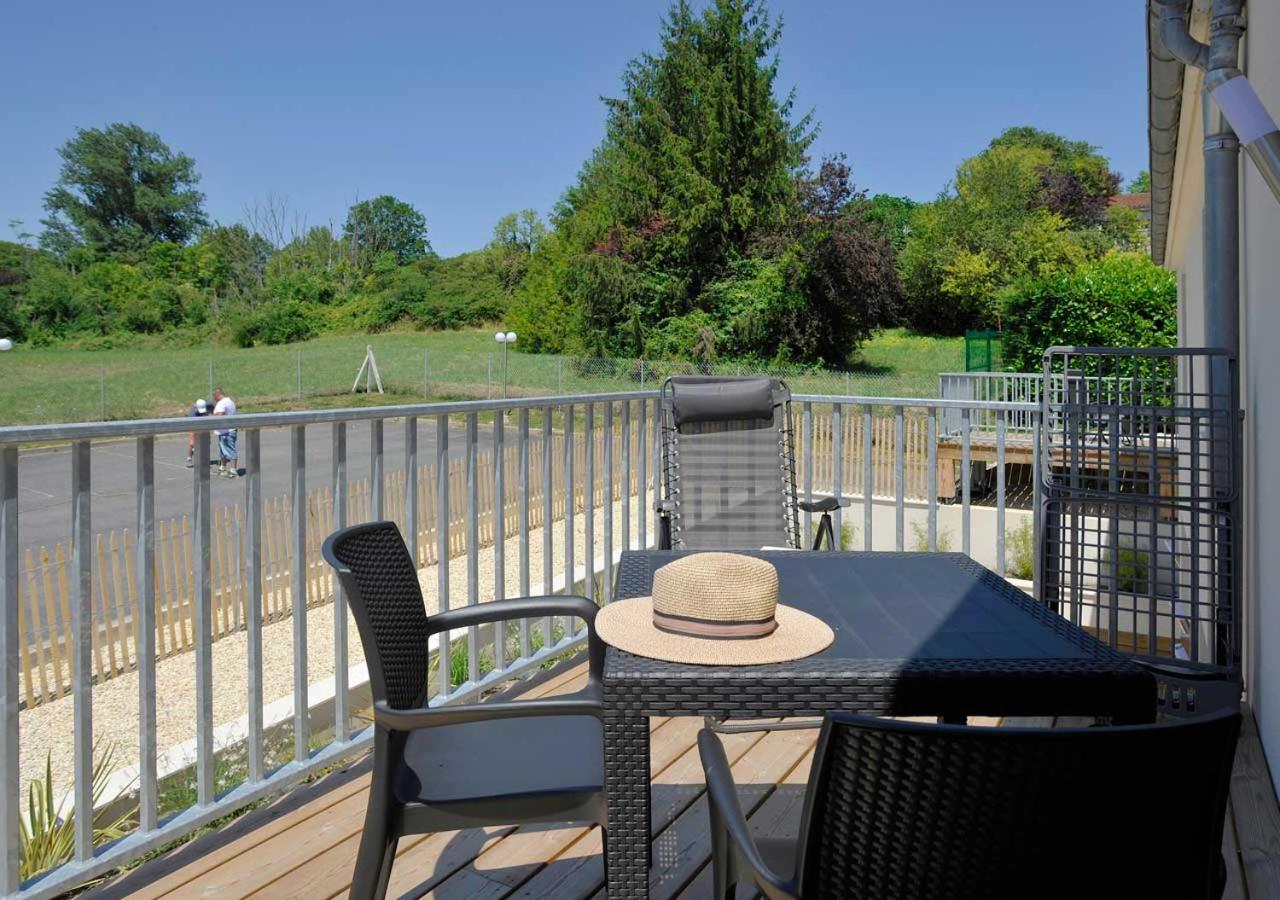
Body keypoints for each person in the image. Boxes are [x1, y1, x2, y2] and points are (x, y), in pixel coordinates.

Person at [212, 387, 238, 478]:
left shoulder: (221, 403)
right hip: (226, 430)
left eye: (213, 396)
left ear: (217, 394)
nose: (213, 398)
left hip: (226, 431)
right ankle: (222, 468)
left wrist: (211, 417)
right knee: (223, 451)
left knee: (230, 450)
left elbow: (220, 415)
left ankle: (233, 471)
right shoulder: (230, 401)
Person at [185, 399, 209, 467]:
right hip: (194, 427)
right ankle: (189, 458)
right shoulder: (192, 412)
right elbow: (191, 424)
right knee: (192, 444)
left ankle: (203, 459)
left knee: (206, 443)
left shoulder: (207, 404)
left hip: (203, 426)